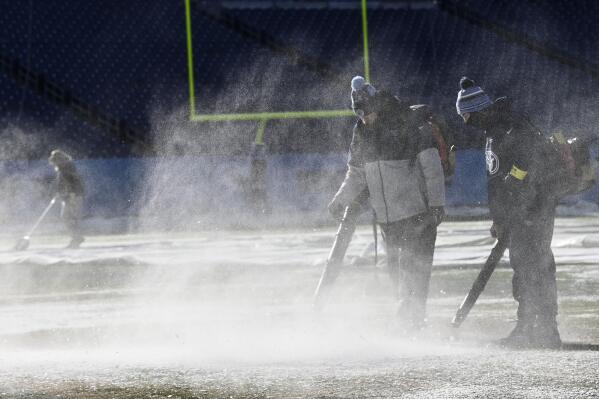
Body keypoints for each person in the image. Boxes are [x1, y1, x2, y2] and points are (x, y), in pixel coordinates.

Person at [328, 76, 446, 330]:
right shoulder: (361, 131)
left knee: (414, 271)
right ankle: (409, 322)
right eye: (359, 115)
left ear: (377, 106)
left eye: (367, 113)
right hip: (388, 219)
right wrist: (340, 200)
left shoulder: (406, 122)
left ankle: (412, 323)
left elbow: (431, 165)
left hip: (417, 212)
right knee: (397, 274)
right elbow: (356, 173)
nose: (364, 119)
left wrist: (436, 204)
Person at [455, 77, 561, 349]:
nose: (465, 121)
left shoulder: (512, 127)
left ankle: (539, 329)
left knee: (533, 268)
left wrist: (518, 196)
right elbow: (498, 179)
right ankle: (535, 327)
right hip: (516, 214)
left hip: (531, 211)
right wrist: (500, 218)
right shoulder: (494, 131)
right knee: (527, 268)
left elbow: (525, 165)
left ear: (478, 109)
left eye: (466, 115)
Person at [48, 149, 85, 249]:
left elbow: (72, 183)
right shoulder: (64, 168)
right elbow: (63, 184)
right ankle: (76, 238)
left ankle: (76, 238)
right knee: (68, 217)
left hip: (73, 196)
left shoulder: (66, 169)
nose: (54, 162)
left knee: (69, 218)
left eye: (55, 160)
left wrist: (71, 195)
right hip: (70, 196)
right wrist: (59, 193)